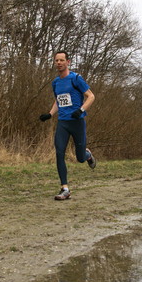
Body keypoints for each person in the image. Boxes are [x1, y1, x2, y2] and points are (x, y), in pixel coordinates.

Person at [40, 51, 96, 200]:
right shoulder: (55, 82)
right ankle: (64, 189)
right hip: (63, 123)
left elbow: (91, 96)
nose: (59, 63)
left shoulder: (76, 79)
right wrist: (50, 114)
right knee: (59, 152)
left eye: (62, 60)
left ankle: (87, 154)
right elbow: (58, 100)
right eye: (56, 60)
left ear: (68, 62)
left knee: (80, 158)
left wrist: (81, 110)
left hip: (77, 122)